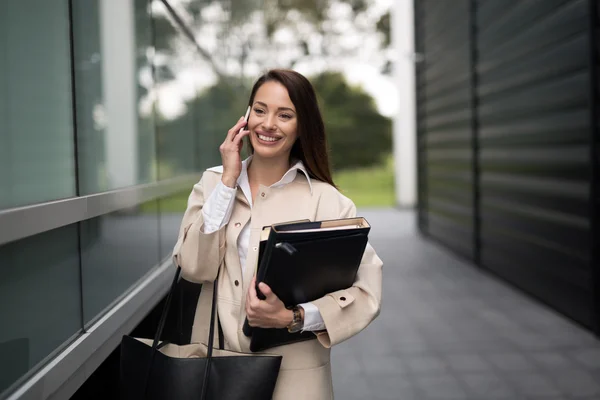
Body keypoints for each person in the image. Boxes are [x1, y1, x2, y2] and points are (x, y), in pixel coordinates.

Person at [172, 69, 383, 399]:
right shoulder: (213, 184)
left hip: (295, 379)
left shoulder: (329, 201)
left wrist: (292, 317)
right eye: (260, 110)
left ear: (302, 127)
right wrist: (228, 182)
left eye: (285, 115)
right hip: (215, 369)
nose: (267, 124)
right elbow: (193, 267)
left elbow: (367, 294)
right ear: (245, 117)